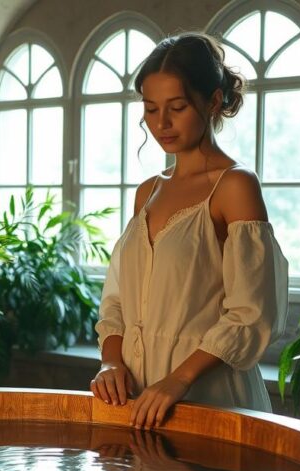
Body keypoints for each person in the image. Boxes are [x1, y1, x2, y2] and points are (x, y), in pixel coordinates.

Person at [91, 32, 289, 429]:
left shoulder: (234, 186)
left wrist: (178, 380)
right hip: (135, 398)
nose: (161, 123)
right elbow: (116, 301)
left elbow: (251, 312)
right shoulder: (148, 192)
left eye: (177, 107)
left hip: (206, 395)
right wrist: (111, 361)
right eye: (150, 109)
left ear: (213, 101)